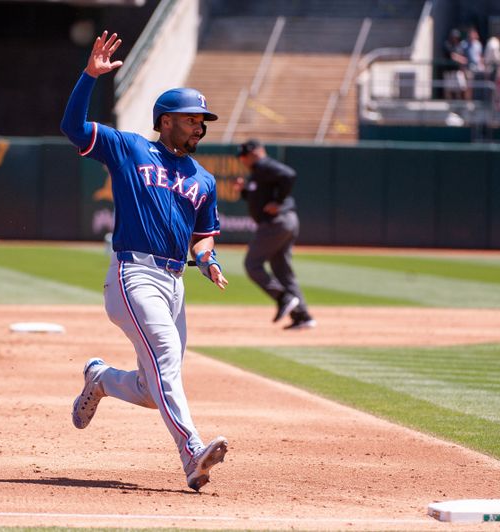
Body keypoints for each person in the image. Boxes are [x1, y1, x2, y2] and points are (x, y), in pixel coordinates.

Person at [60, 30, 229, 492]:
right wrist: (89, 77)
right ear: (165, 120)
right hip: (133, 275)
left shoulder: (204, 178)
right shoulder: (131, 148)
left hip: (175, 284)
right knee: (167, 360)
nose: (200, 126)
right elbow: (74, 128)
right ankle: (192, 451)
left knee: (154, 386)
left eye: (202, 120)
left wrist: (208, 259)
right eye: (192, 119)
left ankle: (100, 378)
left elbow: (203, 234)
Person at [234, 139, 316, 331]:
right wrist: (245, 191)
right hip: (285, 222)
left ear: (256, 152)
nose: (243, 160)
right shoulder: (258, 171)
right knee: (282, 271)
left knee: (252, 264)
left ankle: (284, 298)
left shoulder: (263, 164)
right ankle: (302, 316)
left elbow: (289, 175)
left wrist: (278, 202)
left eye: (244, 156)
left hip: (277, 223)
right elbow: (259, 196)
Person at [442, 29, 468, 100]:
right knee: (449, 90)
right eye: (454, 37)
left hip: (457, 71)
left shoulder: (459, 46)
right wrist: (461, 59)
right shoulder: (447, 44)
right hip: (449, 71)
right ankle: (450, 106)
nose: (455, 39)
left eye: (456, 37)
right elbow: (452, 55)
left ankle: (461, 105)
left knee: (462, 87)